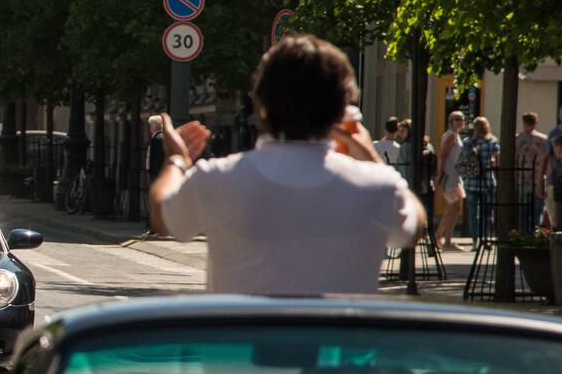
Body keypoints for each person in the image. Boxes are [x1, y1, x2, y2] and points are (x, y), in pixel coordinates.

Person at [149, 33, 426, 295]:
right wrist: (370, 156)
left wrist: (176, 159)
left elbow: (164, 217)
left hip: (242, 344)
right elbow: (415, 228)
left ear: (262, 106)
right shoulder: (377, 186)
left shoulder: (218, 178)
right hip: (340, 345)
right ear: (341, 110)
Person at [464, 116, 500, 246]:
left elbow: (464, 160)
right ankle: (486, 238)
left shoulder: (468, 141)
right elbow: (496, 161)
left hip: (471, 181)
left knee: (474, 213)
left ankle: (476, 240)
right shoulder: (492, 141)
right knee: (487, 212)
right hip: (487, 180)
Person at [434, 112, 467, 250]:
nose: (460, 121)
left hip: (455, 175)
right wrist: (440, 173)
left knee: (455, 208)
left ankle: (444, 238)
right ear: (450, 121)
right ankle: (442, 238)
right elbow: (442, 155)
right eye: (457, 119)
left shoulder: (456, 136)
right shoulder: (451, 136)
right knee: (453, 207)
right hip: (450, 175)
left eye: (462, 119)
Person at [515, 111, 549, 230]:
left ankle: (526, 234)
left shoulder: (517, 139)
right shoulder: (543, 140)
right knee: (536, 210)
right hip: (536, 178)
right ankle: (535, 234)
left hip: (524, 178)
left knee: (526, 210)